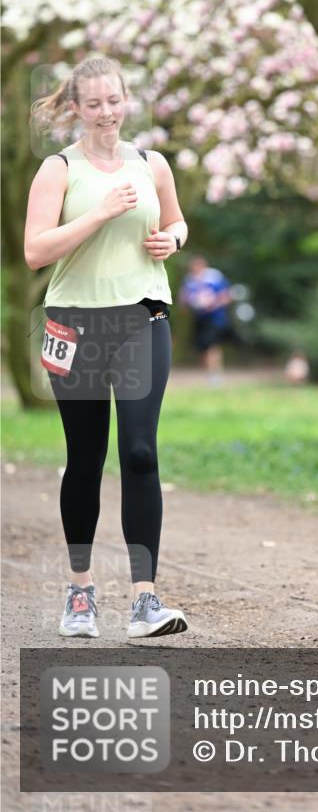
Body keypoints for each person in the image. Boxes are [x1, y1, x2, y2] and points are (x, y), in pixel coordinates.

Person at [25, 55, 189, 639]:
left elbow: (177, 221)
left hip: (143, 317)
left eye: (113, 101)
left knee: (140, 453)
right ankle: (80, 592)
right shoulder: (58, 169)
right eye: (93, 104)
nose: (105, 113)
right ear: (75, 107)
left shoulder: (152, 163)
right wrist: (99, 212)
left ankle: (145, 600)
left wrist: (172, 239)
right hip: (76, 325)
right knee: (86, 457)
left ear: (126, 101)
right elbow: (35, 252)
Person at [178, 256, 232, 384]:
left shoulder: (214, 277)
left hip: (215, 318)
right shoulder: (189, 280)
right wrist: (190, 304)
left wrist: (214, 304)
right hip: (199, 318)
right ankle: (209, 375)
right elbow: (183, 301)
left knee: (212, 345)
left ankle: (215, 375)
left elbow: (227, 295)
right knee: (203, 347)